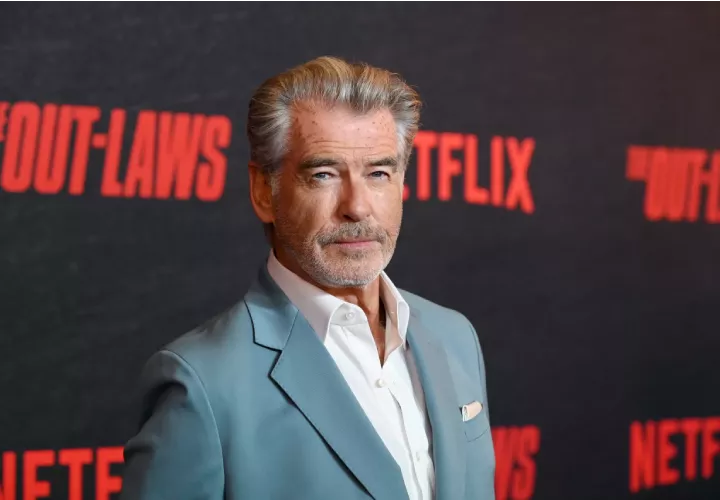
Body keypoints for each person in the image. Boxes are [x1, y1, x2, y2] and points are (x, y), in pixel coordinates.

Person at [120, 56, 495, 500]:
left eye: (378, 173)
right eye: (323, 175)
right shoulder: (203, 383)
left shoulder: (454, 337)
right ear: (264, 192)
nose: (357, 206)